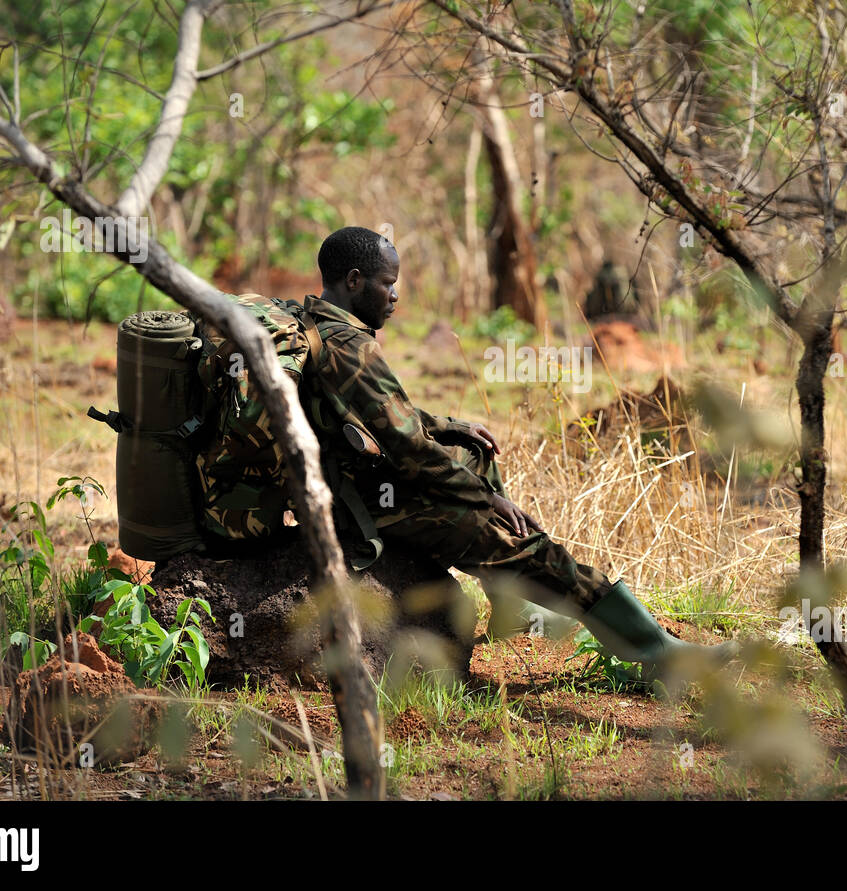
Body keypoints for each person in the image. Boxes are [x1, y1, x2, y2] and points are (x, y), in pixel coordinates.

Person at [297, 226, 737, 681]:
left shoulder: (317, 325)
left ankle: (511, 609)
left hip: (355, 484)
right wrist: (486, 500)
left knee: (473, 448)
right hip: (367, 505)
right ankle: (655, 650)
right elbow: (410, 450)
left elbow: (387, 416)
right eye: (387, 283)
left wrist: (452, 427)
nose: (395, 295)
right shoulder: (352, 347)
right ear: (353, 281)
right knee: (522, 541)